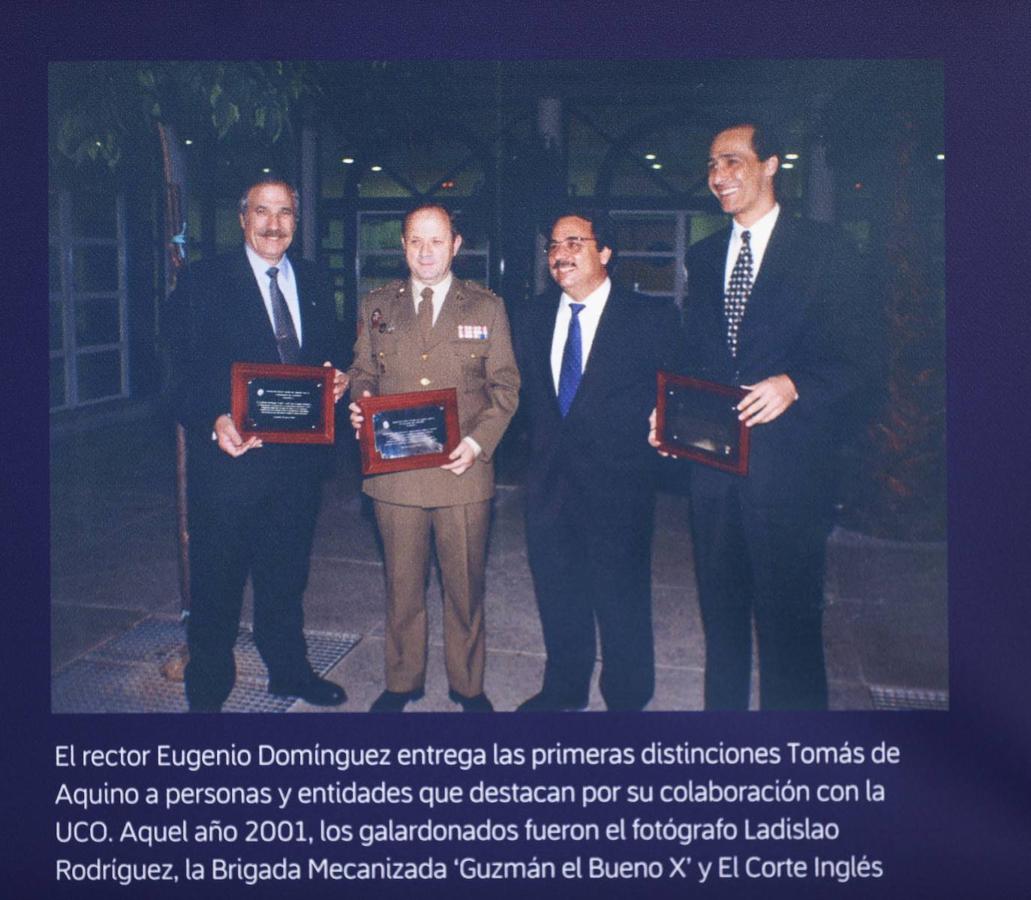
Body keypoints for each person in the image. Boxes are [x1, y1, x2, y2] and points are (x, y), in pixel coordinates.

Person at [653, 120, 876, 710]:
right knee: (721, 621)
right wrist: (668, 415)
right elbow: (696, 358)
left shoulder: (825, 251)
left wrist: (796, 385)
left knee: (790, 629)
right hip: (712, 474)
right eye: (711, 165)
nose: (718, 176)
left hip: (790, 474)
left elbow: (863, 359)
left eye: (732, 161)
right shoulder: (704, 257)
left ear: (772, 164)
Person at [167, 178, 348, 712]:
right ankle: (208, 689)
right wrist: (212, 418)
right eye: (262, 211)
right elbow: (175, 370)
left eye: (285, 212)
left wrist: (339, 378)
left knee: (286, 579)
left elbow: (331, 349)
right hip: (230, 466)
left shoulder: (315, 279)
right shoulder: (203, 281)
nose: (274, 224)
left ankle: (288, 671)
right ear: (242, 218)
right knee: (217, 585)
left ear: (297, 220)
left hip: (298, 468)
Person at [347, 204, 519, 713]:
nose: (426, 252)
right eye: (416, 241)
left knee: (464, 589)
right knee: (402, 588)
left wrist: (478, 443)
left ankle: (468, 686)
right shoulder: (378, 305)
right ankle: (402, 682)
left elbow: (505, 387)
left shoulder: (486, 308)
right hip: (395, 474)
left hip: (461, 472)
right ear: (403, 245)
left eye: (437, 241)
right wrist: (361, 404)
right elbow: (362, 372)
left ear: (456, 245)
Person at [516, 209, 682, 711]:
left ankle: (627, 698)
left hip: (619, 488)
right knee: (557, 593)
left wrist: (669, 421)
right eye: (553, 245)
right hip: (548, 485)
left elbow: (679, 390)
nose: (560, 254)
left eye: (574, 242)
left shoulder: (650, 318)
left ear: (605, 252)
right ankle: (564, 689)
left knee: (621, 598)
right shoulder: (532, 316)